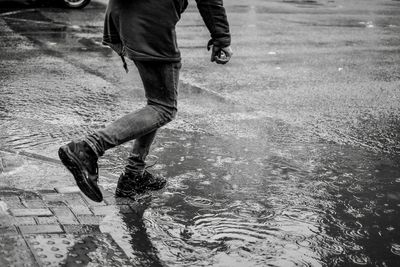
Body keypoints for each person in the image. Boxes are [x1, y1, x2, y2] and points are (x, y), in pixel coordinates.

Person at [58, 0, 233, 202]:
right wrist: (222, 37)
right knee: (163, 108)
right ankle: (88, 149)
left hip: (122, 15)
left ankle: (134, 175)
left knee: (156, 103)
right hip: (150, 21)